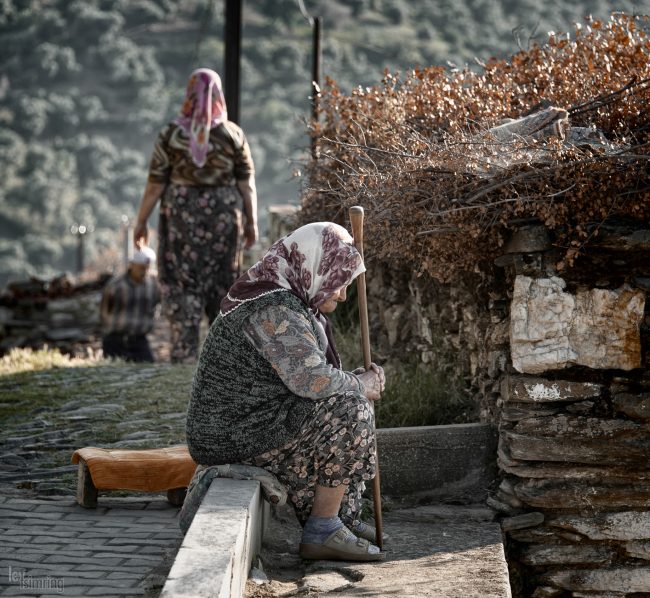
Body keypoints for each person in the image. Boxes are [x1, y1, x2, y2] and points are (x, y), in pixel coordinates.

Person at [186, 222, 387, 561]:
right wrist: (359, 385)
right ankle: (323, 529)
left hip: (256, 420)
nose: (342, 294)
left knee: (348, 401)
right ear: (312, 268)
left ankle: (342, 518)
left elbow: (307, 375)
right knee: (352, 412)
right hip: (235, 433)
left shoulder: (284, 295)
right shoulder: (273, 308)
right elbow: (310, 381)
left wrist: (351, 382)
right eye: (338, 283)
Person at [133, 68, 258, 363]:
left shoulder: (171, 134)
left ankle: (185, 350)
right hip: (224, 218)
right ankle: (221, 356)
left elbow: (155, 184)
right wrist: (251, 221)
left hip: (180, 218)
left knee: (181, 279)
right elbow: (246, 184)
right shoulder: (232, 134)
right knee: (222, 280)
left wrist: (141, 221)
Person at [100, 246, 160, 362]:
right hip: (115, 338)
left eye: (147, 268)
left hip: (139, 339)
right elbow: (104, 309)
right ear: (132, 265)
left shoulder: (153, 285)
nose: (144, 272)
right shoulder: (116, 285)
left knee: (148, 369)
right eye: (141, 268)